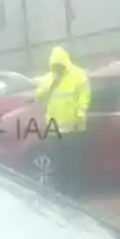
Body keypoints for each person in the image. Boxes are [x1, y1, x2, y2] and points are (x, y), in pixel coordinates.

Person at [33, 45, 91, 191]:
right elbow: (38, 96)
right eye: (55, 66)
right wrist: (52, 84)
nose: (57, 68)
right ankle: (62, 191)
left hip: (74, 128)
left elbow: (85, 96)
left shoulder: (78, 75)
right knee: (58, 163)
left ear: (65, 63)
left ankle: (75, 191)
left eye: (60, 65)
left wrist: (80, 114)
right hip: (54, 130)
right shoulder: (48, 79)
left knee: (74, 162)